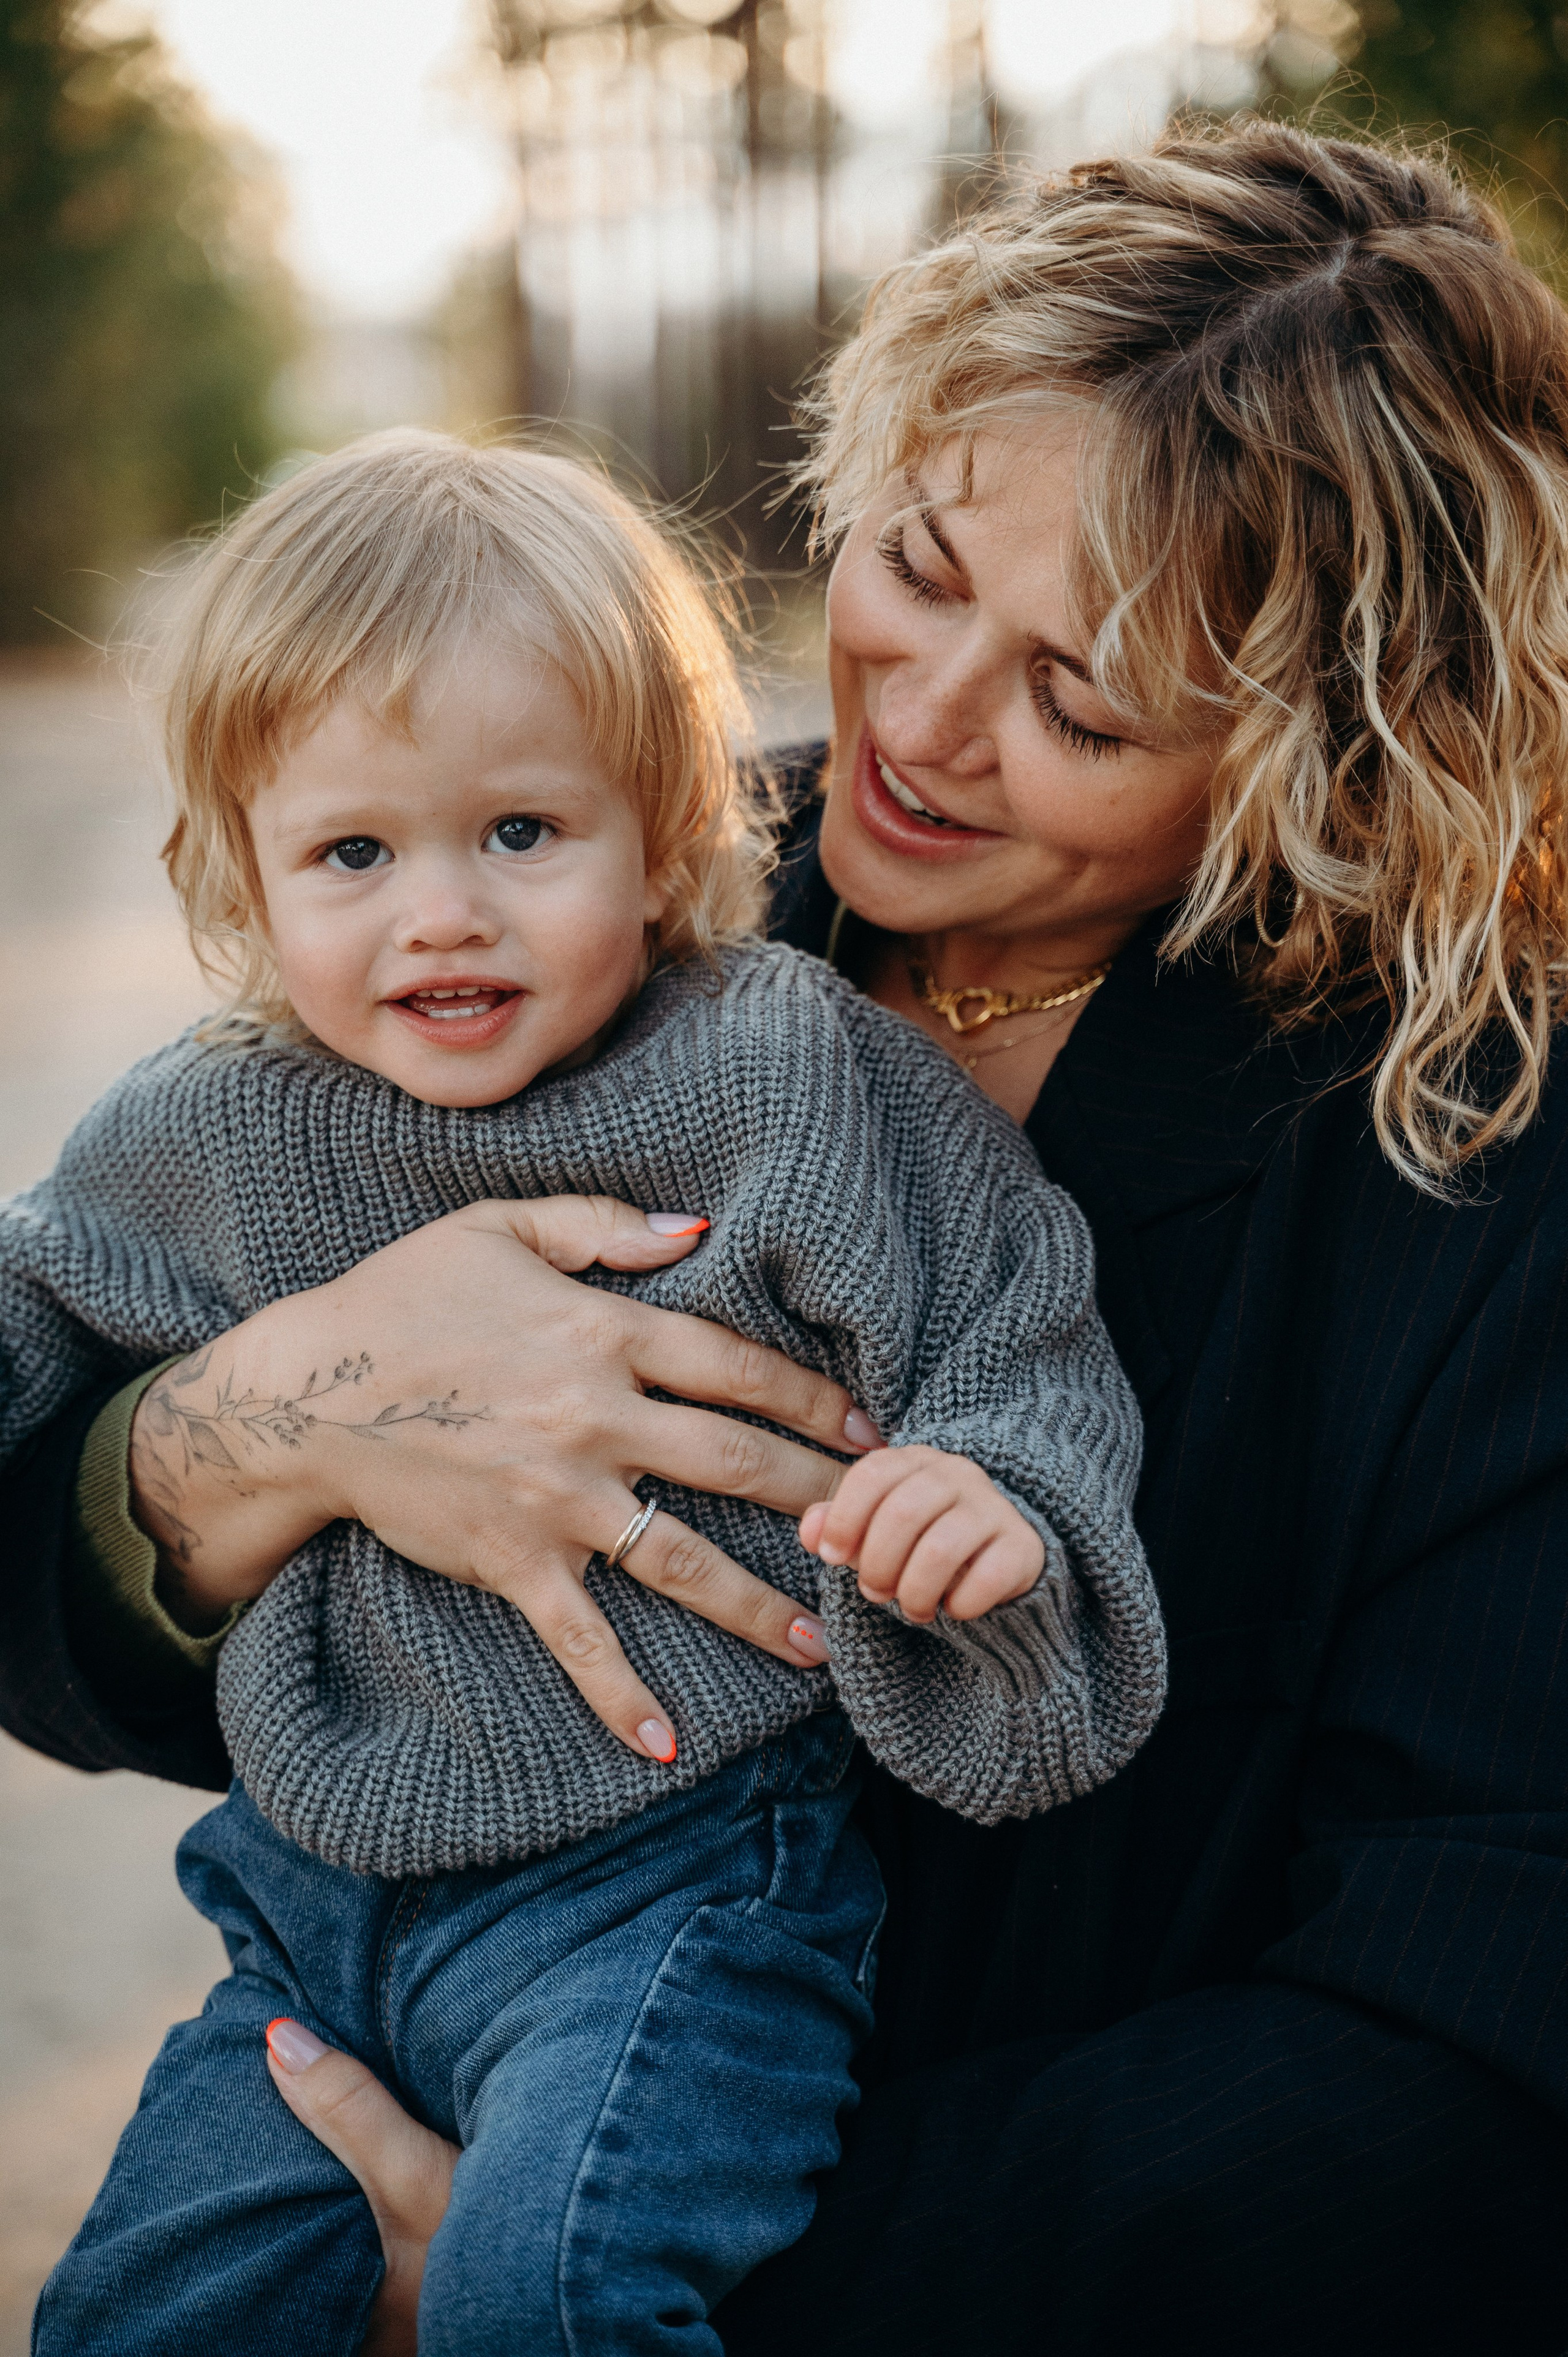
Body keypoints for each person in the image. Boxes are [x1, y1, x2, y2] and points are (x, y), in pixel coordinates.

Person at [6, 116, 1568, 2354]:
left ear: (1329, 747)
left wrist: (625, 2265)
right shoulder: (593, 875)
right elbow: (50, 1515)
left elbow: (1472, 2036)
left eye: (1085, 699)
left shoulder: (1481, 1177)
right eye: (922, 570)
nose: (916, 733)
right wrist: (278, 1420)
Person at [11, 430, 1159, 2356]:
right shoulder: (219, 1123)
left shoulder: (788, 1068)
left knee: (552, 2291)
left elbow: (1013, 1323)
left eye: (521, 836)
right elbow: (43, 1305)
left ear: (665, 830)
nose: (440, 915)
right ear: (241, 874)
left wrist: (992, 1498)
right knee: (143, 2306)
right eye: (355, 855)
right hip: (318, 1889)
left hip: (685, 1884)